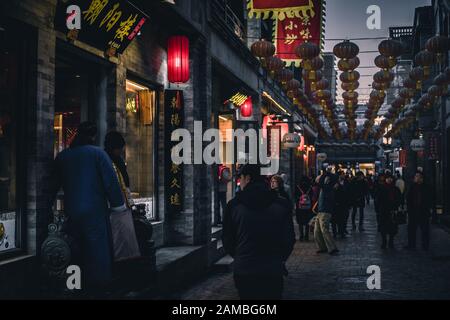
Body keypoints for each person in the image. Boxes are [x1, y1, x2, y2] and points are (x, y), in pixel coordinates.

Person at [51, 122, 125, 294]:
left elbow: (53, 185)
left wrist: (50, 207)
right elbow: (111, 183)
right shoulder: (98, 154)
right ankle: (97, 288)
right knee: (97, 250)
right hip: (94, 211)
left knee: (74, 248)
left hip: (71, 211)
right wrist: (118, 205)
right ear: (92, 136)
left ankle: (74, 286)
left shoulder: (63, 157)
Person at [222, 164, 295, 300]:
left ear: (248, 178)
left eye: (241, 178)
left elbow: (227, 239)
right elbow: (289, 239)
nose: (240, 182)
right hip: (273, 268)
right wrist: (279, 258)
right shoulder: (281, 204)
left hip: (245, 268)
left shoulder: (234, 206)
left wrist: (240, 256)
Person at [314, 168, 339, 255]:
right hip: (320, 210)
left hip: (325, 211)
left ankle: (332, 248)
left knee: (324, 229)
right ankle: (322, 247)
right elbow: (317, 181)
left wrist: (325, 173)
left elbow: (320, 181)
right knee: (317, 231)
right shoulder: (325, 188)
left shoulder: (328, 188)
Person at [405, 172, 432, 250]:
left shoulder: (426, 187)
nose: (417, 178)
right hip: (413, 212)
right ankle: (411, 244)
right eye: (416, 176)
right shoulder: (412, 187)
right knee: (411, 229)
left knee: (425, 230)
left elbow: (429, 199)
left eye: (419, 176)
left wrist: (428, 209)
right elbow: (408, 198)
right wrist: (409, 209)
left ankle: (425, 245)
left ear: (422, 178)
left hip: (423, 211)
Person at [377, 172, 401, 249]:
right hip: (384, 210)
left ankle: (391, 241)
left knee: (392, 228)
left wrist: (396, 206)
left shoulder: (396, 189)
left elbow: (399, 199)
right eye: (387, 178)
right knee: (383, 227)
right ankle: (384, 241)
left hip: (393, 210)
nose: (389, 180)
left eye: (390, 178)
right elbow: (378, 199)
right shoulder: (381, 188)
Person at [295, 176, 314, 241]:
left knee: (300, 222)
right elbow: (312, 197)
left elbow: (295, 196)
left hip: (299, 208)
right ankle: (306, 236)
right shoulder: (310, 187)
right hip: (308, 208)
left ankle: (301, 236)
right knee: (307, 222)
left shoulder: (297, 187)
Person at [333, 171, 350, 239]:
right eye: (342, 174)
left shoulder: (346, 182)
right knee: (335, 219)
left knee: (343, 218)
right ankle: (335, 233)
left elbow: (349, 192)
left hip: (344, 203)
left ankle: (342, 231)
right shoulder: (335, 183)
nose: (343, 175)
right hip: (336, 204)